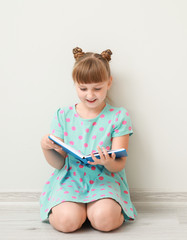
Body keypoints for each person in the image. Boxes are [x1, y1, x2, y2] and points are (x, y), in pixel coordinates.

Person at [40, 47, 137, 233]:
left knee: (104, 221)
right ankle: (77, 212)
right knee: (66, 223)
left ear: (109, 83)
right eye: (83, 89)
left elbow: (120, 163)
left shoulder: (118, 116)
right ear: (75, 84)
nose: (90, 95)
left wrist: (108, 162)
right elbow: (59, 163)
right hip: (70, 178)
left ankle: (94, 211)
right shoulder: (63, 115)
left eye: (97, 88)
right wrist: (46, 148)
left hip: (104, 179)